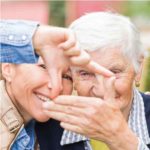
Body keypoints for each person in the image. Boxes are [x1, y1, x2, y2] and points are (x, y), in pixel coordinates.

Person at [42, 12, 150, 150]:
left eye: (114, 72)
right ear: (71, 74)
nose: (101, 90)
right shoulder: (47, 127)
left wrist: (120, 138)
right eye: (85, 73)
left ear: (138, 68)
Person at [0, 20, 113, 99]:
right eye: (44, 67)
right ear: (8, 69)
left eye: (67, 77)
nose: (56, 86)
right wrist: (35, 37)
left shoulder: (59, 126)